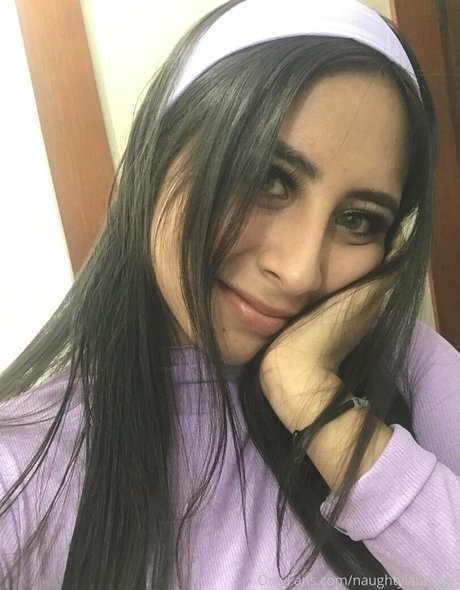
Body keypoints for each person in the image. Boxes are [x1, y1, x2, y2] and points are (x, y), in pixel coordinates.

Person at [1, 0, 459, 588]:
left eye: (358, 220)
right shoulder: (23, 470)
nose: (300, 271)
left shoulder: (410, 367)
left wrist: (311, 395)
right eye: (267, 178)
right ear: (157, 154)